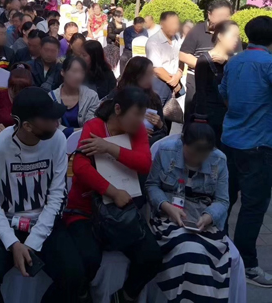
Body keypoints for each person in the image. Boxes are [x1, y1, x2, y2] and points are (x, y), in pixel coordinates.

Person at [0, 87, 86, 303]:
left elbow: (57, 195)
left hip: (44, 220)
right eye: (49, 119)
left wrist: (32, 242)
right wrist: (13, 243)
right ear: (27, 126)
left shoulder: (58, 140)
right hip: (3, 221)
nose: (56, 122)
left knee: (74, 276)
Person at [66, 87, 162, 301]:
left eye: (143, 115)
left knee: (152, 257)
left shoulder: (137, 131)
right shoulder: (94, 126)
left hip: (122, 213)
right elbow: (80, 167)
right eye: (136, 114)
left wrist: (109, 148)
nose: (140, 121)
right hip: (86, 211)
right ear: (118, 109)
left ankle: (125, 295)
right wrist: (112, 192)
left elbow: (144, 164)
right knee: (87, 259)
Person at [146, 116, 232, 302]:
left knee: (201, 252)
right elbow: (152, 185)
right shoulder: (166, 151)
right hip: (168, 220)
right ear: (183, 142)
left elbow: (223, 200)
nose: (198, 158)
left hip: (204, 223)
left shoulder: (219, 160)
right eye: (193, 152)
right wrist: (167, 207)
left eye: (204, 153)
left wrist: (209, 216)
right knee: (191, 250)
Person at [219, 16, 272, 285]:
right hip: (258, 145)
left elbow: (224, 94)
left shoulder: (234, 61)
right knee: (253, 206)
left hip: (230, 140)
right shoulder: (269, 64)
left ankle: (219, 254)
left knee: (225, 200)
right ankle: (246, 265)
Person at [180, 0, 241, 119]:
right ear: (209, 14)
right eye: (220, 15)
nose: (224, 19)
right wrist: (204, 64)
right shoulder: (197, 31)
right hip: (197, 82)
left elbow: (238, 57)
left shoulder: (232, 35)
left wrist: (225, 60)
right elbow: (183, 54)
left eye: (227, 16)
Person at [194, 20, 240, 146]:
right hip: (211, 117)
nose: (236, 40)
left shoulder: (236, 60)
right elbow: (201, 92)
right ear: (220, 36)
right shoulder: (205, 60)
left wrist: (226, 61)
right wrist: (201, 120)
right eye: (233, 36)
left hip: (231, 116)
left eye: (238, 36)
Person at [118, 56, 167, 146]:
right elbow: (110, 126)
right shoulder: (119, 95)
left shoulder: (154, 98)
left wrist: (160, 124)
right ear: (135, 75)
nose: (151, 78)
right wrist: (135, 132)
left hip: (150, 145)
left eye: (152, 74)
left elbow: (164, 132)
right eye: (147, 74)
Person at [50, 56, 99, 137]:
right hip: (58, 140)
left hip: (84, 140)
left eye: (82, 72)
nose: (78, 76)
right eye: (74, 71)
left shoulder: (91, 96)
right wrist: (75, 131)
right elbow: (51, 126)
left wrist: (70, 131)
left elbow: (91, 124)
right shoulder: (51, 97)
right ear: (63, 72)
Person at [145, 11, 182, 107]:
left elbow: (182, 57)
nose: (175, 27)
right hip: (159, 83)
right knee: (156, 112)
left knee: (170, 112)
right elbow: (157, 69)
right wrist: (174, 83)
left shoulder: (177, 38)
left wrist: (178, 75)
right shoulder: (154, 42)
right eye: (171, 24)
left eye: (176, 23)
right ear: (162, 24)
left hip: (174, 81)